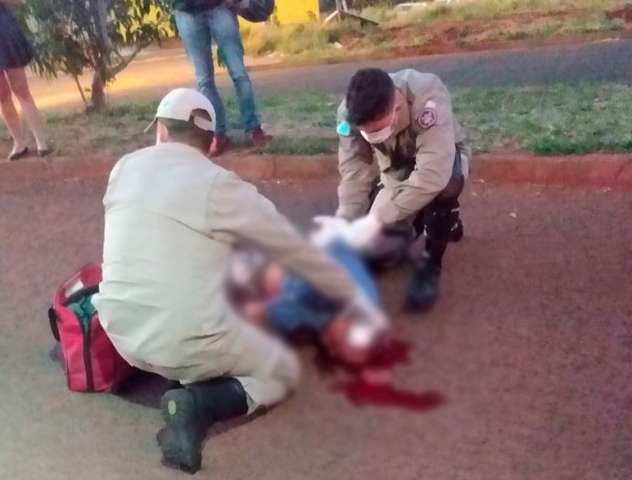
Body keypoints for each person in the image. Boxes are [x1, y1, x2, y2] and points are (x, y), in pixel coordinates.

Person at [93, 88, 384, 473]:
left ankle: (183, 374)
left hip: (120, 334)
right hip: (183, 342)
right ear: (212, 143)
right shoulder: (220, 186)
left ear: (161, 131)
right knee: (279, 368)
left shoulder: (124, 168)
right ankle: (200, 403)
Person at [331, 68, 471, 312]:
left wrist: (378, 218)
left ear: (396, 107)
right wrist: (345, 223)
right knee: (376, 255)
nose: (372, 136)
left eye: (377, 129)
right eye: (367, 131)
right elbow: (356, 173)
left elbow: (432, 174)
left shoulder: (426, 94)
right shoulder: (348, 115)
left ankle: (431, 265)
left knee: (447, 185)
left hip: (441, 160)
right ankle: (431, 222)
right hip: (395, 168)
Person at [227, 236, 389, 367]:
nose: (331, 351)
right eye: (337, 345)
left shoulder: (321, 322)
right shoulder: (351, 290)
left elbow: (279, 314)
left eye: (336, 353)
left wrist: (265, 310)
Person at [172, 0, 270, 156]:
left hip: (219, 7)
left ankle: (253, 128)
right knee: (204, 80)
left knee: (239, 73)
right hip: (186, 12)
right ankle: (218, 134)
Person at [0, 0, 50, 160]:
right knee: (2, 95)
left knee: (21, 90)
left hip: (4, 34)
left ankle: (41, 141)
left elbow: (19, 2)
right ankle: (19, 143)